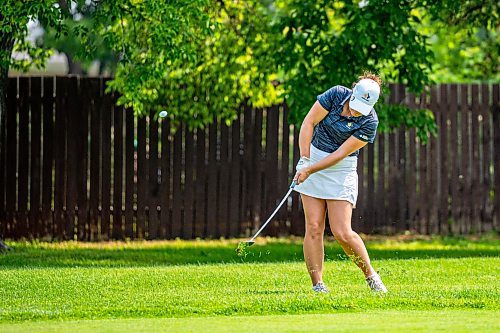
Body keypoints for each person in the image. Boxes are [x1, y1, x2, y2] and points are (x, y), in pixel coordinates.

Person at [293, 71, 387, 294]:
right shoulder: (335, 95)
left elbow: (340, 154)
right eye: (354, 105)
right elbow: (309, 123)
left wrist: (310, 169)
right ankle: (318, 285)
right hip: (312, 158)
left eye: (361, 110)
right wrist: (304, 159)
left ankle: (371, 276)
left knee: (342, 231)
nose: (355, 113)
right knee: (314, 227)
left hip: (340, 168)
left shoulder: (370, 122)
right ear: (353, 92)